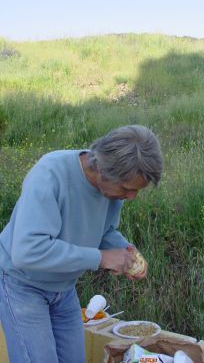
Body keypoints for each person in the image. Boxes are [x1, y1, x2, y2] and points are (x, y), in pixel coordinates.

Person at [0, 124, 163, 363]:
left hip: (64, 288)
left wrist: (127, 252)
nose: (131, 197)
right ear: (104, 171)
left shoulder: (112, 189)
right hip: (23, 285)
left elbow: (105, 231)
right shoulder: (51, 174)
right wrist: (102, 258)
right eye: (128, 189)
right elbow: (27, 251)